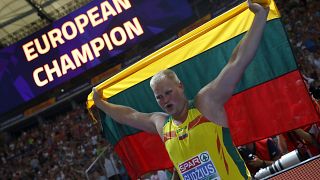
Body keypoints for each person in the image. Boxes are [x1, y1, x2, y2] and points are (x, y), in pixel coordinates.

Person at [93, 0, 269, 179]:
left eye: (168, 92)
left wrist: (260, 17)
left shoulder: (205, 104)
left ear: (181, 86)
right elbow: (128, 115)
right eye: (159, 97)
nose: (165, 100)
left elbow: (236, 63)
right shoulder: (161, 124)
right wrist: (101, 104)